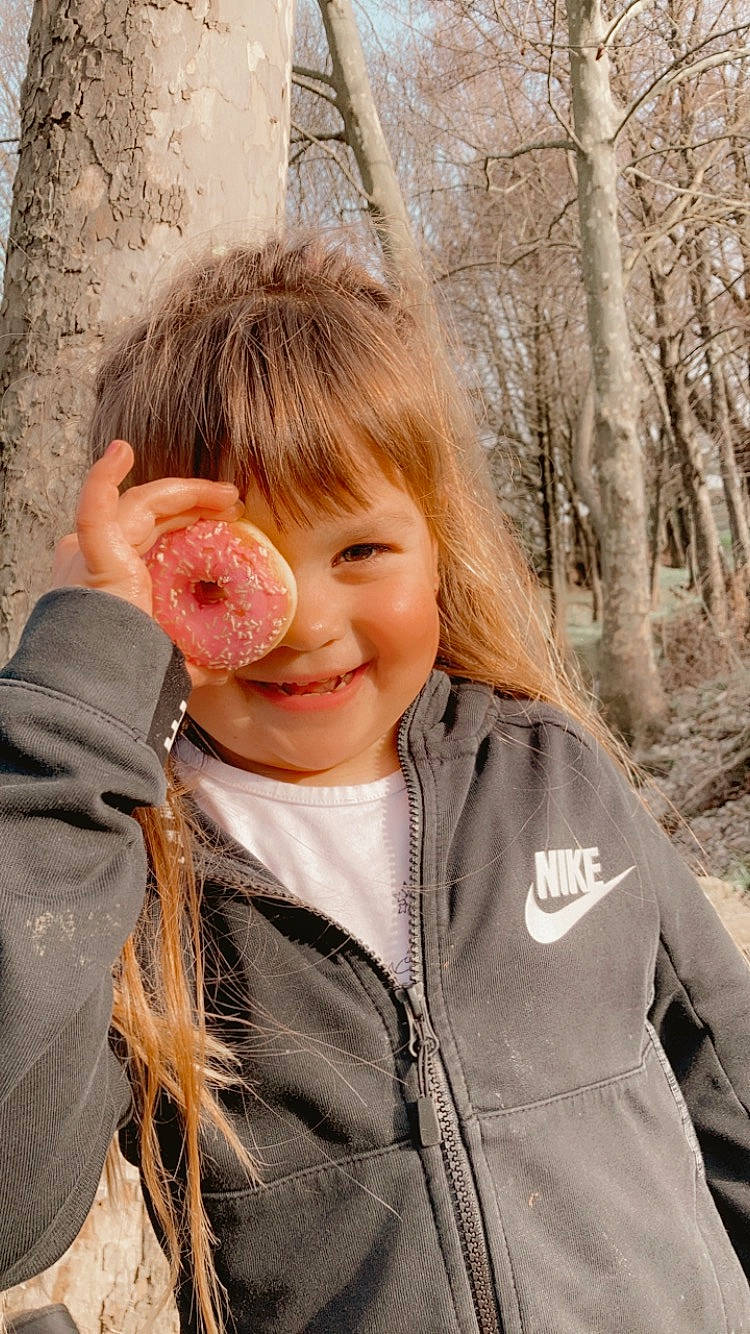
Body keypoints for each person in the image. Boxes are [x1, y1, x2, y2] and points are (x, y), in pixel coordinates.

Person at [1, 233, 748, 1334]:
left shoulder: (549, 773)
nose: (304, 624)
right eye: (227, 570)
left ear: (437, 545)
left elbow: (725, 1066)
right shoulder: (124, 876)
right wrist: (78, 696)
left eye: (359, 552)